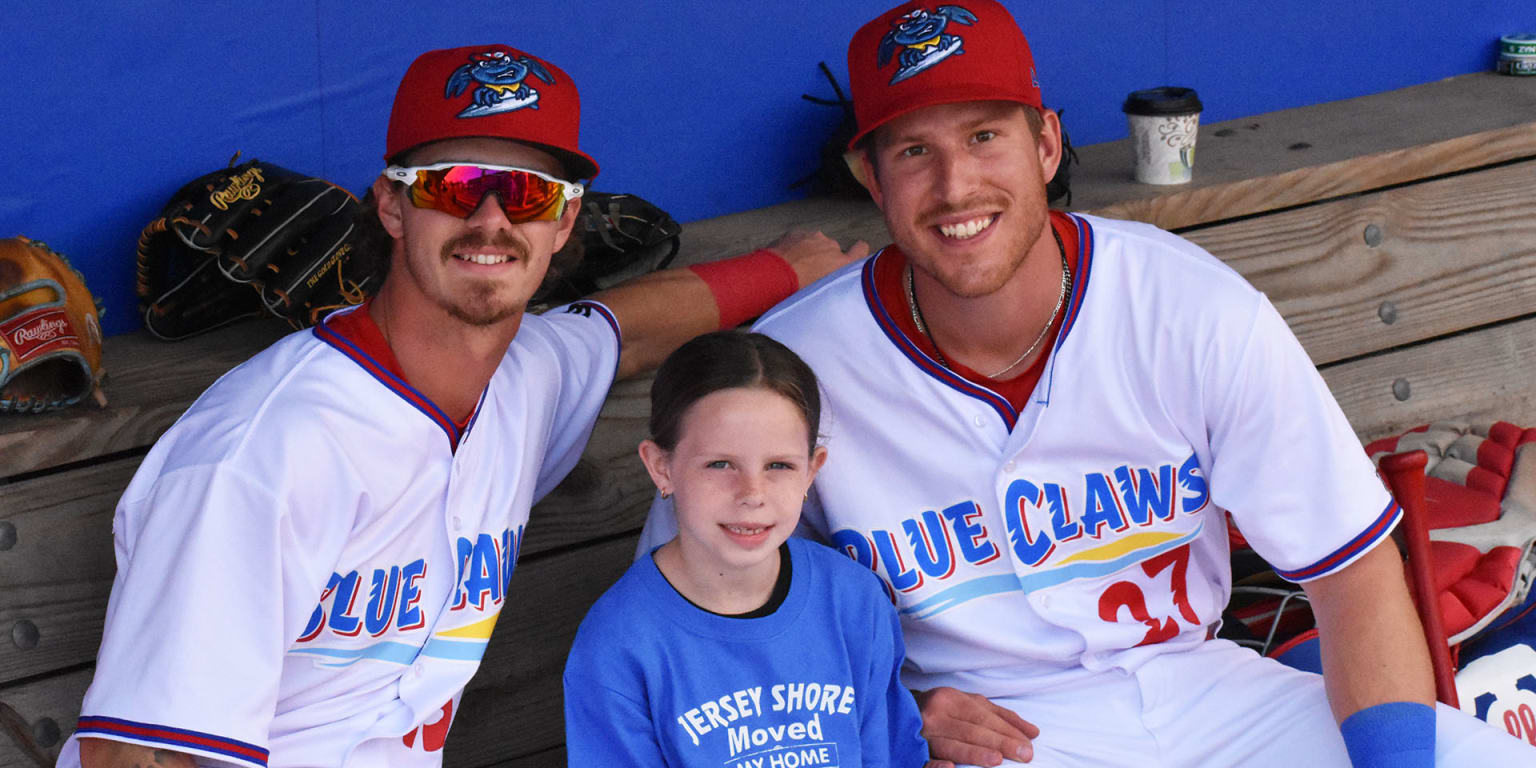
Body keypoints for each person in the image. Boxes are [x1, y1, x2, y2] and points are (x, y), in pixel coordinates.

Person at [637, 3, 1536, 767]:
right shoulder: (797, 362)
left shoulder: (1186, 305)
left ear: (1045, 142)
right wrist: (886, 714)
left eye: (985, 135)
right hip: (980, 734)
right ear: (869, 176)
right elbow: (685, 620)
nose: (956, 185)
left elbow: (1351, 572)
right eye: (913, 152)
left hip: (1205, 693)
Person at [61, 44, 865, 768]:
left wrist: (784, 268)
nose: (491, 220)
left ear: (564, 222)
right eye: (454, 186)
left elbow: (626, 329)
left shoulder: (528, 375)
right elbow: (132, 758)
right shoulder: (262, 454)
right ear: (390, 206)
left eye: (528, 193)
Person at [563, 331, 931, 766]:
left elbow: (888, 754)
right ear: (662, 468)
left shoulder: (852, 599)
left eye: (779, 465)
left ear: (812, 471)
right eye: (720, 464)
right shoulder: (619, 642)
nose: (752, 493)